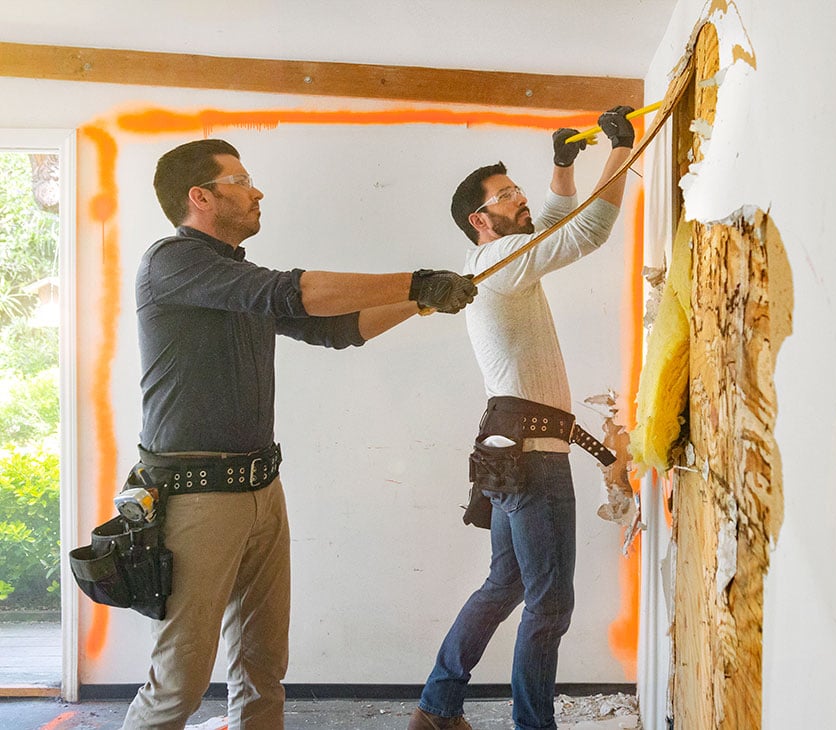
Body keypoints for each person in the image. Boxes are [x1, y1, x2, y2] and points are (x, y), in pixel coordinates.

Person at [122, 138, 477, 730]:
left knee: (263, 669)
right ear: (200, 197)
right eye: (241, 181)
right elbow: (294, 290)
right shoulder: (173, 263)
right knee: (177, 684)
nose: (256, 190)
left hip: (261, 488)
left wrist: (422, 304)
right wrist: (414, 281)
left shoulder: (231, 276)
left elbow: (336, 329)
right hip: (196, 498)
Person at [409, 106, 635, 730]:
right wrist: (621, 152)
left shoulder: (501, 262)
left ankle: (437, 706)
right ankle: (530, 725)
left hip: (515, 452)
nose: (521, 197)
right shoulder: (500, 260)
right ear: (481, 221)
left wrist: (563, 166)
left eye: (518, 188)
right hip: (531, 460)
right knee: (549, 603)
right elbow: (584, 234)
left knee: (505, 586)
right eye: (507, 195)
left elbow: (556, 226)